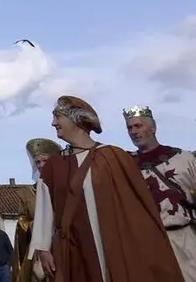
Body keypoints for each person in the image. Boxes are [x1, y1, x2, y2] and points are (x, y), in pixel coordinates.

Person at [28, 95, 184, 281]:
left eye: (57, 117)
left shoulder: (113, 156)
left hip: (114, 243)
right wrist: (43, 247)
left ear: (75, 119)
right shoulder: (55, 166)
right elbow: (45, 209)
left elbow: (138, 207)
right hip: (75, 249)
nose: (53, 123)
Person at [124, 105, 196, 282]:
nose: (133, 132)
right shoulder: (126, 166)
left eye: (138, 126)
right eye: (129, 127)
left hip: (185, 238)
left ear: (153, 127)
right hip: (149, 243)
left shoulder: (184, 159)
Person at [14, 138, 60, 282]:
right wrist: (34, 225)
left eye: (44, 161)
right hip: (37, 250)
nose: (40, 165)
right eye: (37, 162)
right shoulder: (27, 192)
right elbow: (22, 219)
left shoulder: (63, 188)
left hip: (61, 243)